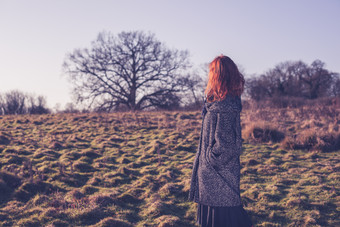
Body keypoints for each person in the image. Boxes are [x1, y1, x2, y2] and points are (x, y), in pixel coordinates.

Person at [188, 55, 253, 227]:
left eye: (211, 72)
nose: (209, 76)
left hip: (219, 178)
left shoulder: (225, 107)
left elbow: (228, 146)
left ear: (218, 76)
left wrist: (211, 159)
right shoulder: (218, 103)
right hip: (212, 179)